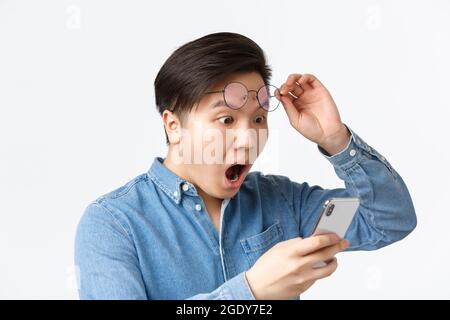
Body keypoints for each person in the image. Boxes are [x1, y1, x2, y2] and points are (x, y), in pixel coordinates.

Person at [75, 32, 416, 300]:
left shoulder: (286, 204)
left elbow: (387, 219)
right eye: (226, 119)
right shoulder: (113, 225)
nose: (248, 138)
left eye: (257, 118)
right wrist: (250, 291)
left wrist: (336, 139)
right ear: (173, 125)